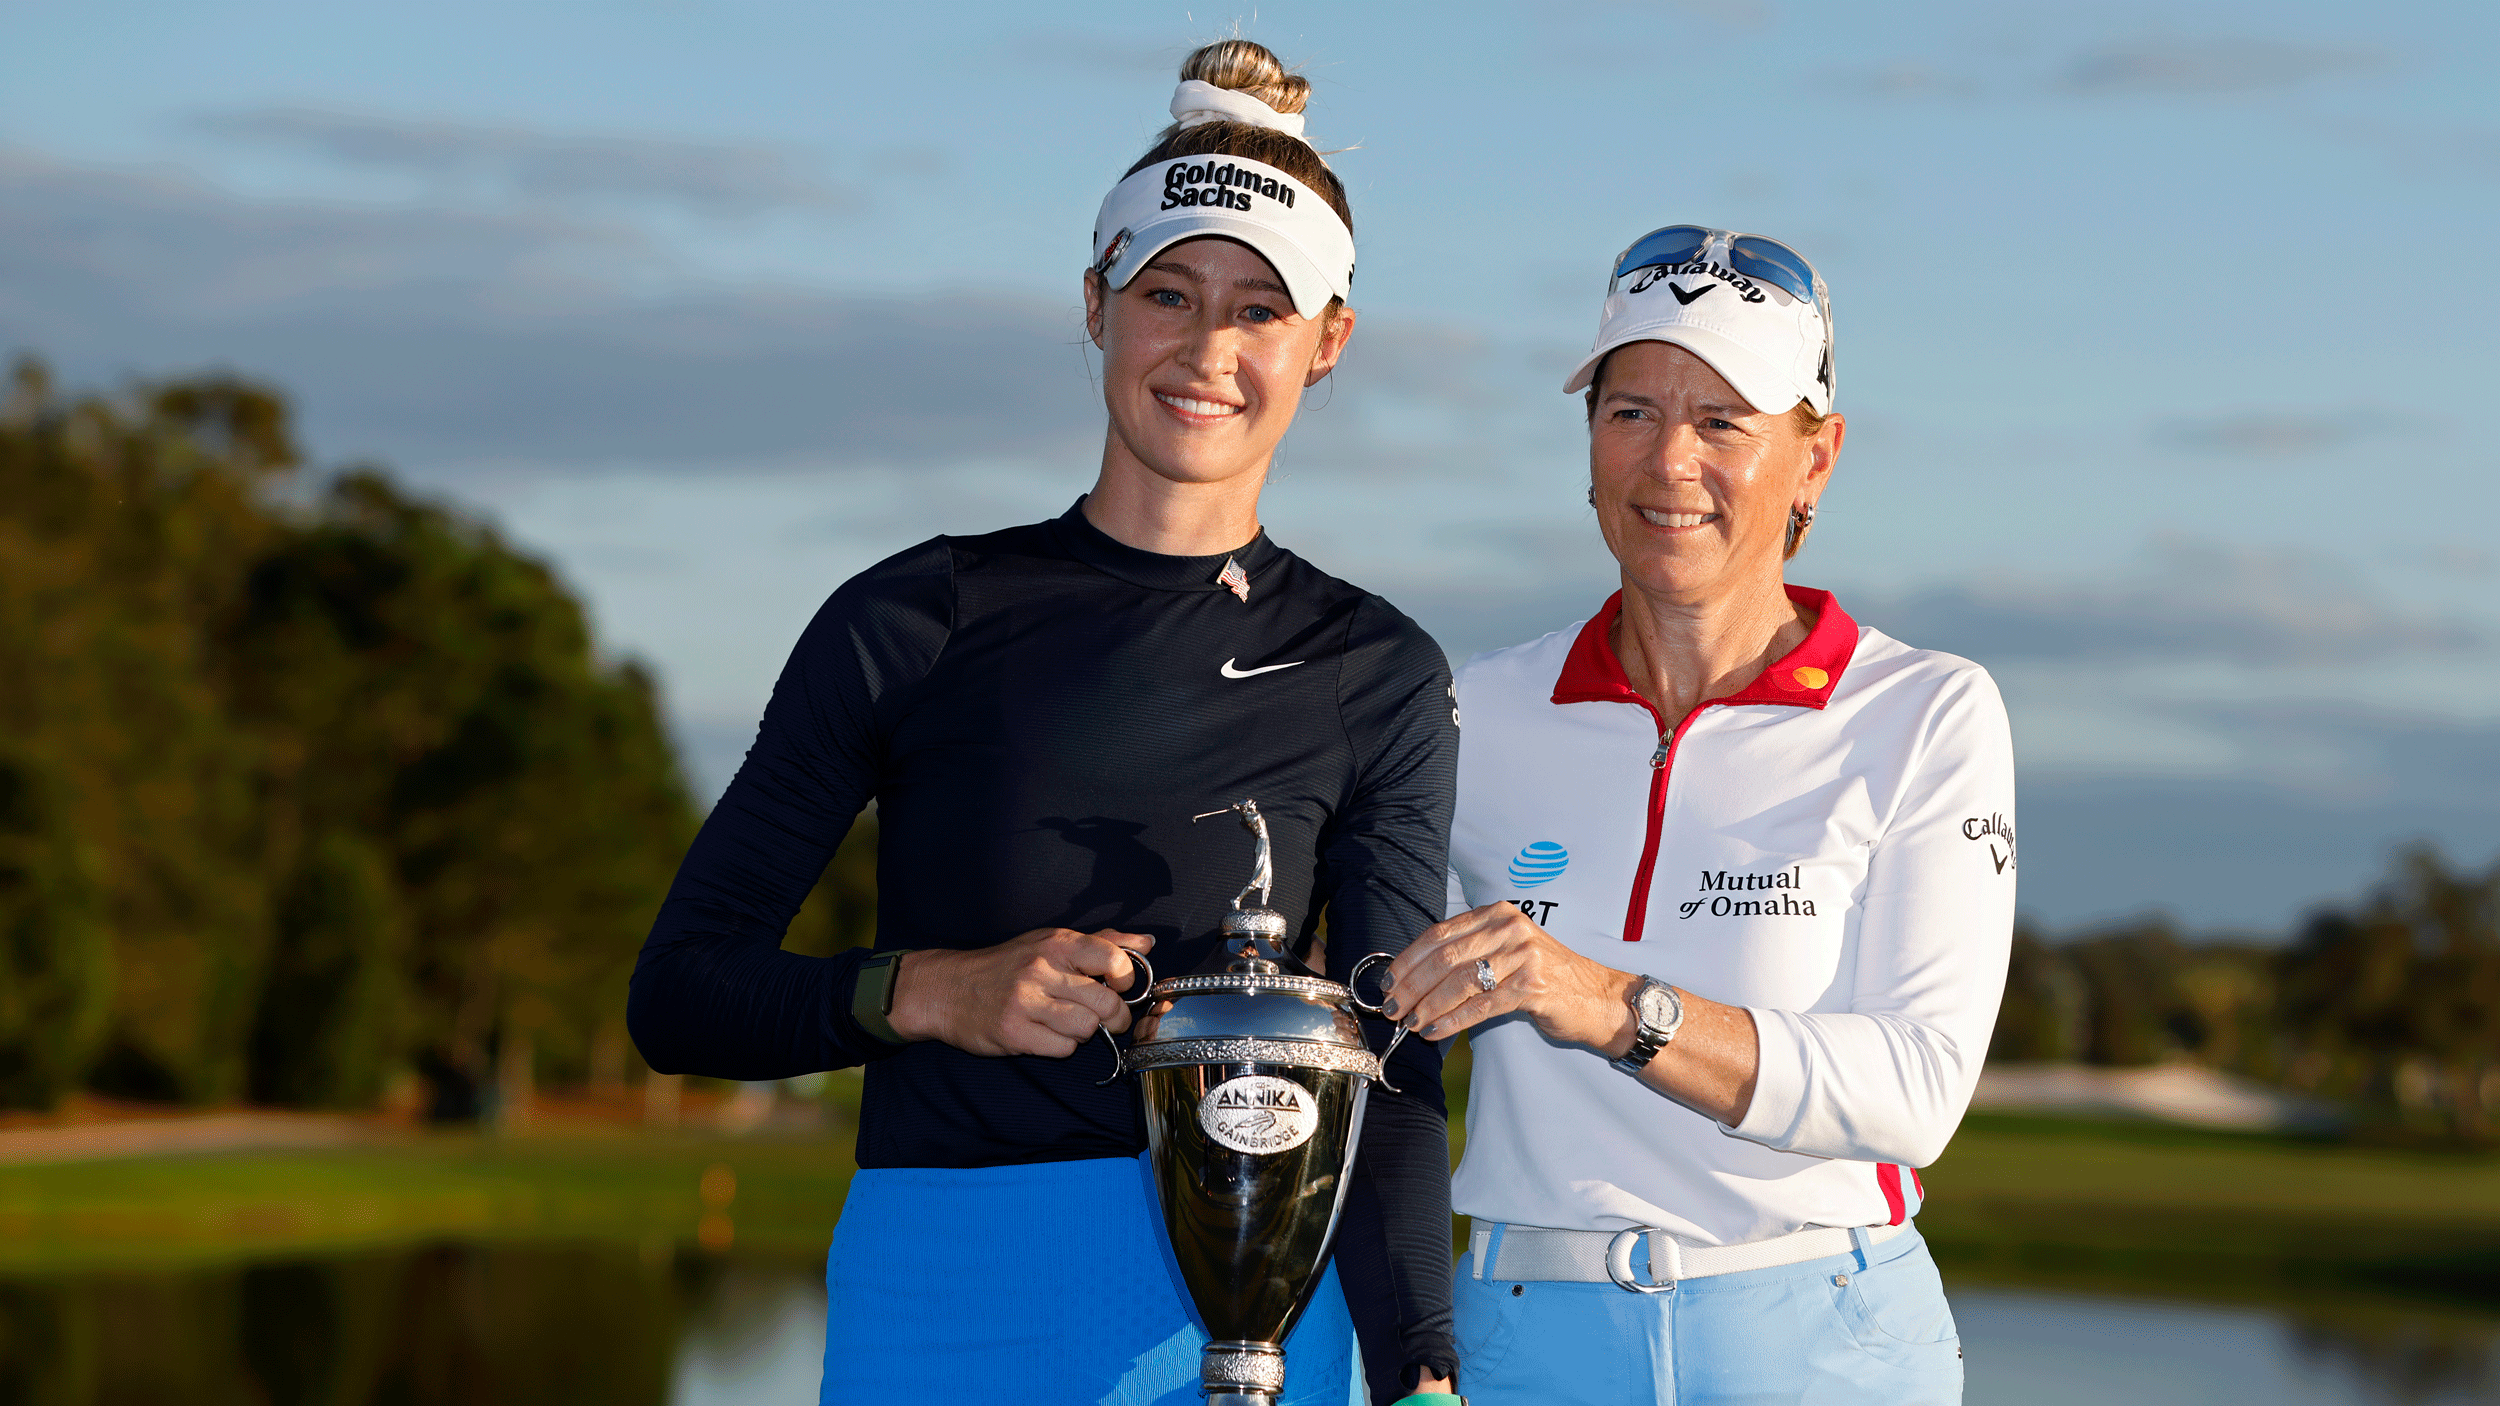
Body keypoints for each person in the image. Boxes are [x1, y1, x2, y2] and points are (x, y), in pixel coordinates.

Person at [626, 40, 1463, 1406]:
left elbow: (1391, 1056)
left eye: (1260, 311)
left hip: (1245, 1322)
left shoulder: (1374, 667)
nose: (1206, 350)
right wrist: (933, 991)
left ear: (1329, 344)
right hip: (941, 1297)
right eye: (1167, 293)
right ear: (1095, 303)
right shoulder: (913, 615)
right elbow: (679, 992)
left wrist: (1422, 1367)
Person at [1382, 226, 2014, 1404]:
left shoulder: (1925, 708)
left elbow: (1917, 1089)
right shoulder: (1476, 707)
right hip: (1519, 1332)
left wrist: (1609, 1001)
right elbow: (1373, 996)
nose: (1669, 460)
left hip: (1822, 1333)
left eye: (1723, 420)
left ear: (1814, 459)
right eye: (1629, 410)